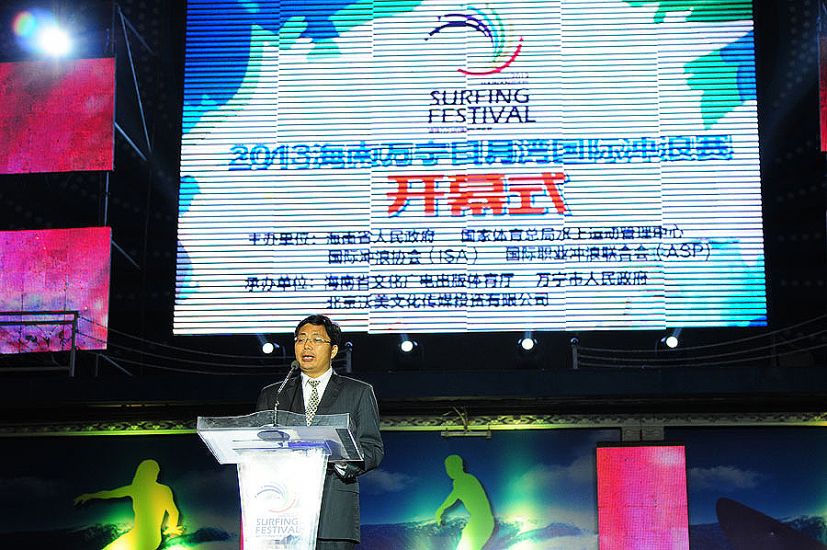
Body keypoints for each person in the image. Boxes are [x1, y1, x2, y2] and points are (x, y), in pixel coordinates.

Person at [256, 314, 384, 549]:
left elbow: (373, 449)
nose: (307, 345)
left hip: (333, 515)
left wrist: (341, 460)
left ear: (333, 351)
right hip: (281, 516)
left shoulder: (358, 392)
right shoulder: (274, 394)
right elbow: (260, 449)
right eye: (301, 339)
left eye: (316, 339)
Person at [74, 459, 184, 550]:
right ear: (145, 473)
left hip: (150, 538)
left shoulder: (161, 490)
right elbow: (110, 493)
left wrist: (172, 527)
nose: (156, 474)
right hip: (137, 534)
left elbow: (173, 512)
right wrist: (90, 496)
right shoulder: (137, 489)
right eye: (153, 471)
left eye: (157, 472)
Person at [434, 454, 495, 550]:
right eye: (448, 468)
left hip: (482, 522)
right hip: (481, 521)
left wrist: (440, 509)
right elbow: (454, 495)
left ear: (461, 466)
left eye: (452, 467)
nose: (450, 470)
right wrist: (441, 509)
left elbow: (453, 496)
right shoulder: (466, 479)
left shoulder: (463, 480)